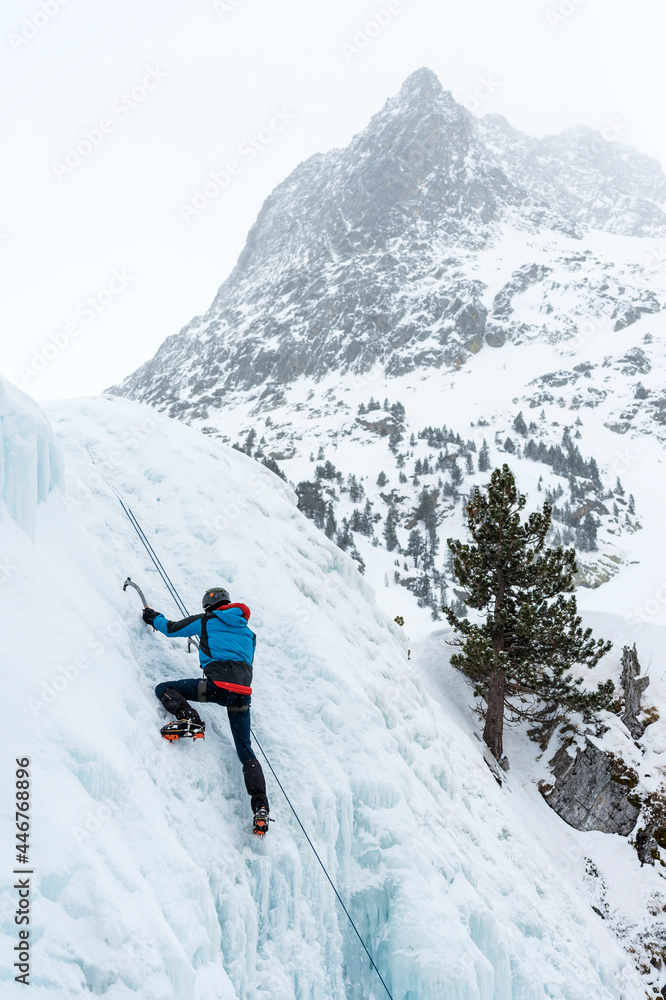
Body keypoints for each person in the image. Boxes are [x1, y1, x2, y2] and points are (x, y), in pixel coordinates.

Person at [143, 587, 270, 836]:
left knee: (164, 688)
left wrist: (152, 616)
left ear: (208, 607)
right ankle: (261, 810)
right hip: (242, 694)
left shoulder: (206, 620)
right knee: (245, 750)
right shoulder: (250, 634)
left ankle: (190, 719)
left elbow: (170, 629)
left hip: (215, 688)